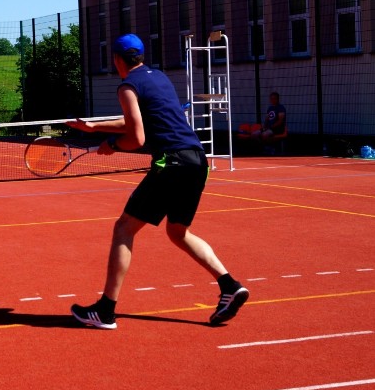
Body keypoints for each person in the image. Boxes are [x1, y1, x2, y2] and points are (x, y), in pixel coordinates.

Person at [65, 34, 249, 330]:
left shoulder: (127, 86)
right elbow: (140, 120)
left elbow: (136, 137)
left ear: (117, 60)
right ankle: (229, 285)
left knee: (124, 227)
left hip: (172, 162)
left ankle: (106, 310)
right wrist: (94, 127)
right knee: (178, 232)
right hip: (196, 161)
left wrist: (113, 144)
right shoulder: (159, 77)